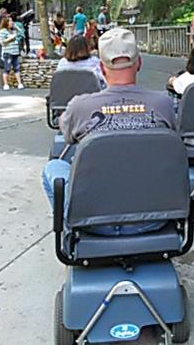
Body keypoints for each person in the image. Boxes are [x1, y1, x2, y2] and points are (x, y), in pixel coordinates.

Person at [41, 28, 175, 235]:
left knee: (54, 166)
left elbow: (67, 135)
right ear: (139, 63)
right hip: (153, 219)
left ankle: (71, 232)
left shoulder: (80, 106)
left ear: (102, 68)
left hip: (94, 221)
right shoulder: (163, 104)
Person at [0, 17, 25, 91]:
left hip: (15, 52)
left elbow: (22, 33)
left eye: (12, 21)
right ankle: (5, 84)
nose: (12, 22)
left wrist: (16, 27)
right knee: (7, 68)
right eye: (10, 21)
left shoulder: (13, 30)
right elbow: (2, 42)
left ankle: (20, 83)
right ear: (6, 22)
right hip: (8, 52)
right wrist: (11, 38)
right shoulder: (2, 31)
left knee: (17, 68)